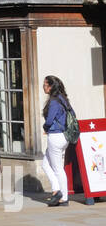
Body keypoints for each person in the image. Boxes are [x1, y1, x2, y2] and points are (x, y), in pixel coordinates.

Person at [41, 75, 72, 207]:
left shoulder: (54, 101)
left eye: (45, 84)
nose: (43, 86)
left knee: (58, 168)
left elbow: (49, 120)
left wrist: (46, 127)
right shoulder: (63, 99)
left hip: (55, 136)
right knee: (45, 164)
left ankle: (63, 196)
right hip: (64, 136)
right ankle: (57, 190)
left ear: (51, 86)